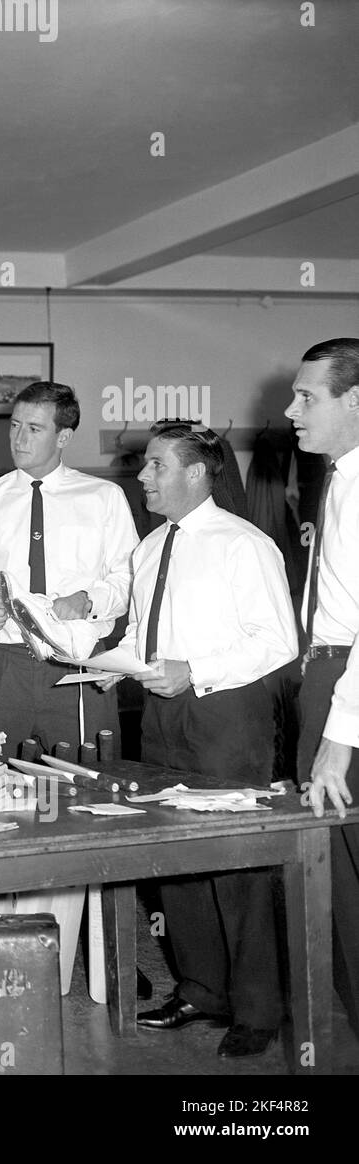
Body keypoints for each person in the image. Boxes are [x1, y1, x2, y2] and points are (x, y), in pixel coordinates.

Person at [111, 425, 296, 1057]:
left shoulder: (245, 546)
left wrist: (197, 670)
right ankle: (201, 990)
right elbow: (141, 635)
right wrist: (91, 654)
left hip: (226, 714)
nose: (143, 477)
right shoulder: (148, 549)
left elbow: (278, 641)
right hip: (163, 714)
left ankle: (258, 1010)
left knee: (237, 863)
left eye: (156, 466)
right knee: (178, 861)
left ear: (195, 474)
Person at [0, 381, 136, 757]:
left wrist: (88, 600)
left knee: (86, 781)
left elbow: (129, 578)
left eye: (34, 429)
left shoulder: (103, 498)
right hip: (6, 664)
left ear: (63, 436)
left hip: (75, 663)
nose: (19, 438)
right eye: (15, 425)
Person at [287, 337, 359, 1038]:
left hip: (350, 688)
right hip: (328, 674)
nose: (290, 410)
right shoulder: (339, 476)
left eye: (307, 397)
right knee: (334, 889)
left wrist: (337, 742)